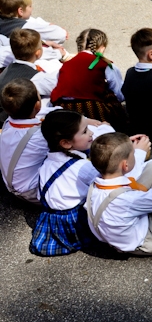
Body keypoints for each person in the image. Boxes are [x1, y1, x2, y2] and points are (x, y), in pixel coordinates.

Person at [30, 110, 113, 256]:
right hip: (74, 221)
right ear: (66, 143)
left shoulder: (47, 162)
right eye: (85, 131)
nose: (91, 133)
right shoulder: (82, 167)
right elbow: (110, 182)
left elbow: (39, 196)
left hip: (52, 218)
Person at [49, 29, 128, 132]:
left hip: (64, 108)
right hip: (92, 108)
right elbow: (119, 94)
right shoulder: (105, 65)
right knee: (111, 97)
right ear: (102, 48)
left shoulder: (65, 65)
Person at [1, 79, 52, 203]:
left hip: (10, 185)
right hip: (32, 192)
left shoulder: (8, 123)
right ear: (38, 105)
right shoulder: (40, 135)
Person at [0, 29, 60, 117]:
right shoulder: (36, 78)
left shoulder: (7, 70)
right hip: (16, 118)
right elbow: (58, 86)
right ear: (38, 53)